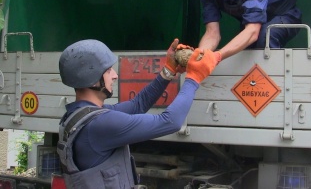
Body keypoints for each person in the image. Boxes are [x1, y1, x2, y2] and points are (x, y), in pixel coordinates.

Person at [56, 38, 218, 189]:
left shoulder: (78, 117)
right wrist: (194, 78)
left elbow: (138, 104)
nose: (115, 75)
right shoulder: (100, 125)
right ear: (92, 80)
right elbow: (170, 121)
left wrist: (169, 70)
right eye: (108, 71)